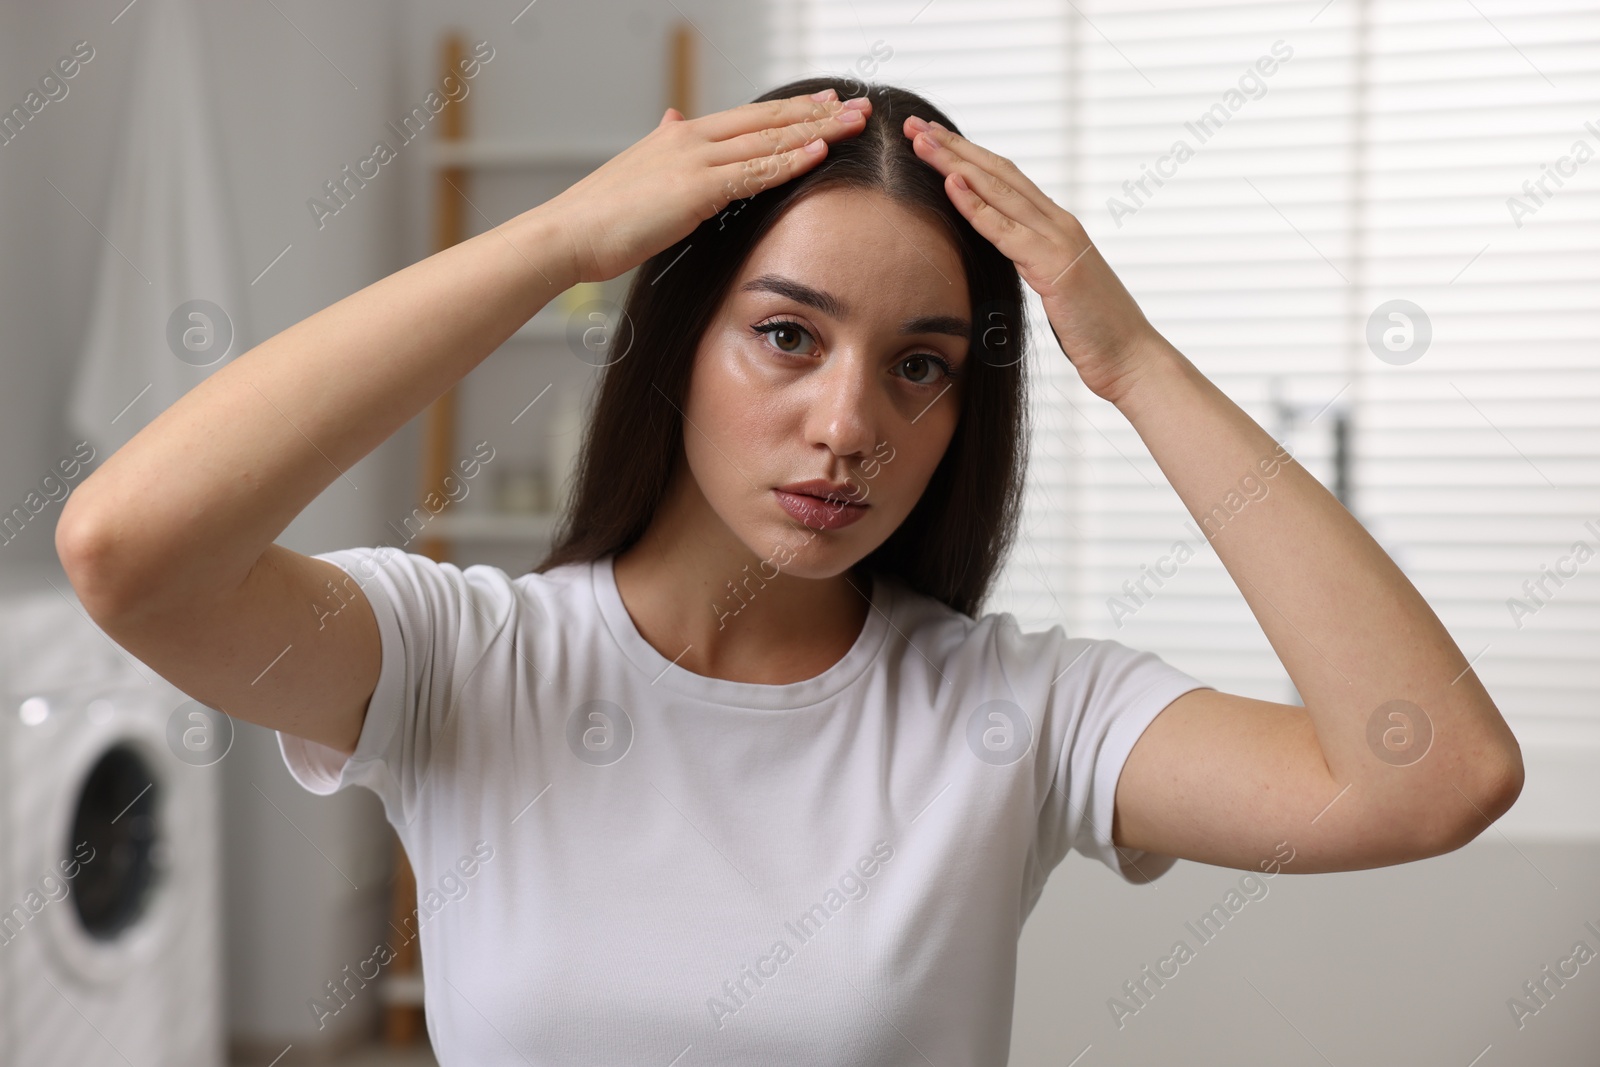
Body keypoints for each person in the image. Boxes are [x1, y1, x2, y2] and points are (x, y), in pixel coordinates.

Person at [57, 75, 1524, 1064]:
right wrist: (562, 237)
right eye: (786, 333)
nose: (848, 428)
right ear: (677, 343)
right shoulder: (462, 660)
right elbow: (130, 551)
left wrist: (1130, 363)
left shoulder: (1017, 711)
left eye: (922, 368)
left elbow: (1433, 772)